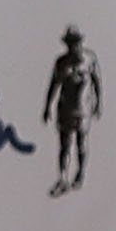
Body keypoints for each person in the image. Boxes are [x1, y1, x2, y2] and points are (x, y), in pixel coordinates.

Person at [43, 24, 101, 194]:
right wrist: (47, 107)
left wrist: (98, 103)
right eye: (70, 43)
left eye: (75, 43)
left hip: (83, 108)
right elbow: (53, 85)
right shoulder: (61, 62)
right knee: (64, 145)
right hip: (65, 109)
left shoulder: (89, 59)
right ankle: (62, 177)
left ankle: (80, 174)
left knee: (81, 143)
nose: (73, 46)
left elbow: (97, 82)